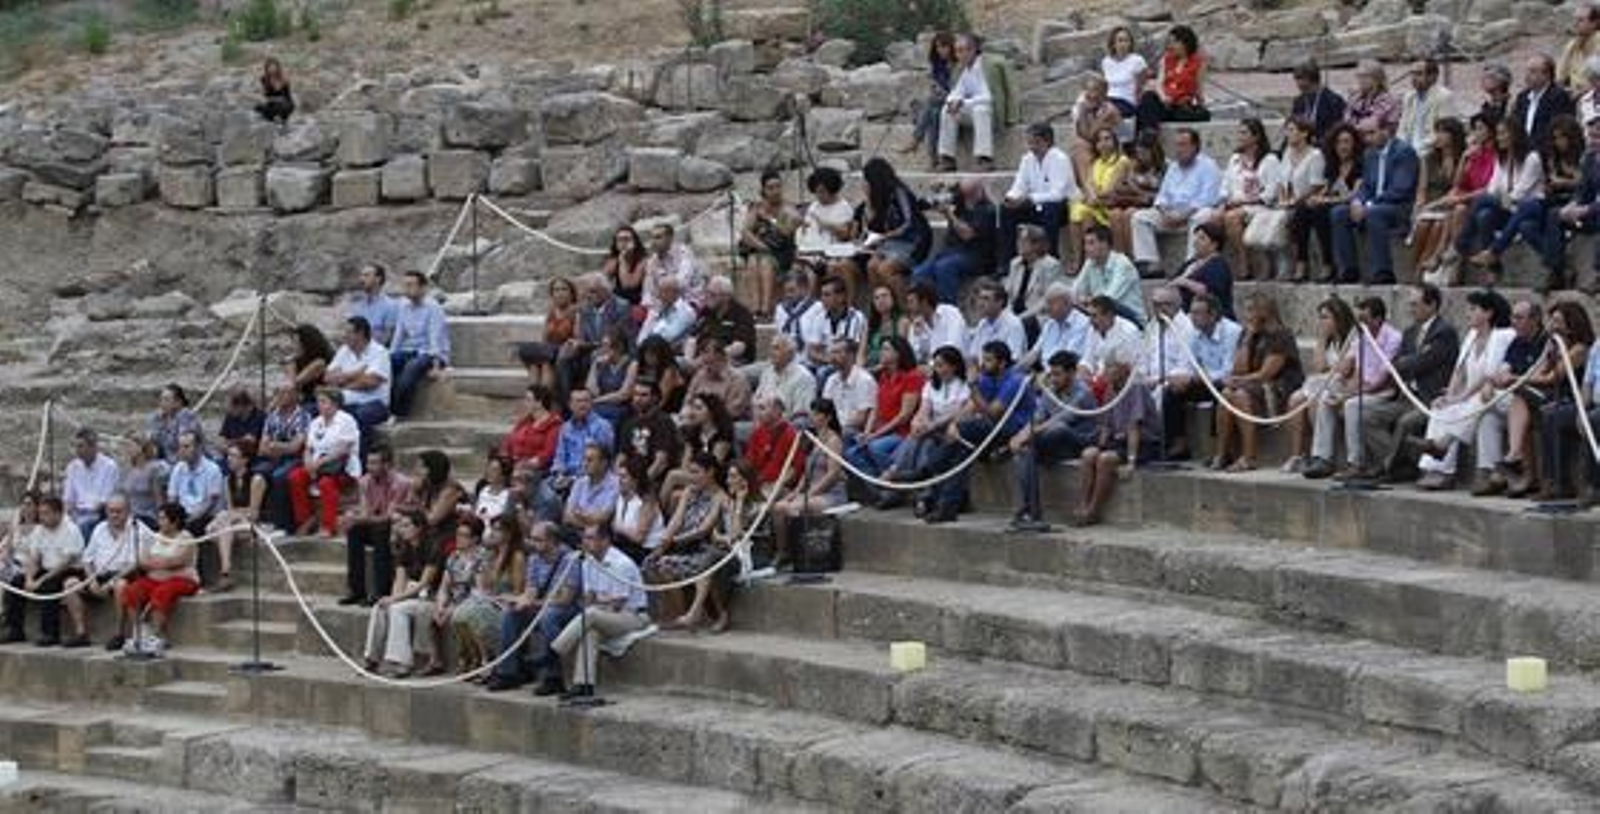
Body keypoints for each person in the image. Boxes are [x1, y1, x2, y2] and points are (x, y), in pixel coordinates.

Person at [1411, 290, 1515, 490]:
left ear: (1488, 313)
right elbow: (1459, 372)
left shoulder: (1503, 335)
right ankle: (1437, 470)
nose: (1467, 313)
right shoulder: (1472, 335)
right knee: (1441, 407)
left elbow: (1489, 374)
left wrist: (1460, 397)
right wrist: (1449, 396)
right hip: (1476, 395)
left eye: (1473, 309)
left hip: (1499, 392)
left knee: (1476, 404)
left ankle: (1444, 443)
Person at [923, 341, 1035, 524]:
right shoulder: (988, 378)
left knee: (965, 433)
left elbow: (993, 412)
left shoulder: (1014, 381)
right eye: (983, 359)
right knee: (962, 449)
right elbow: (972, 406)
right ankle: (947, 507)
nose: (984, 364)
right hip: (990, 433)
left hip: (1013, 431)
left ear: (1002, 363)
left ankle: (928, 469)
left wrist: (972, 385)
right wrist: (954, 424)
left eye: (989, 360)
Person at [1357, 284, 1461, 480]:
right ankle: (1401, 464)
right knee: (1365, 415)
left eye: (1415, 304)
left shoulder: (1445, 332)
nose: (1410, 309)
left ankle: (1388, 467)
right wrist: (1409, 361)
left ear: (1432, 305)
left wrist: (1407, 361)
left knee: (1406, 422)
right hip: (1406, 397)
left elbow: (1424, 362)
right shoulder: (1410, 332)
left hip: (1429, 399)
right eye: (1410, 304)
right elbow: (1399, 363)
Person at [1500, 301, 1593, 497]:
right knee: (1521, 398)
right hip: (1550, 396)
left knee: (1546, 412)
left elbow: (1553, 377)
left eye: (1558, 321)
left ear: (1571, 323)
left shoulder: (1580, 348)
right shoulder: (1552, 344)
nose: (1553, 325)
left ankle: (1550, 480)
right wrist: (1549, 352)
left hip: (1568, 397)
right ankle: (1522, 462)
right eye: (1552, 320)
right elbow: (1538, 371)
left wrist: (1515, 379)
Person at [551, 524, 652, 700]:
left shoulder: (621, 564)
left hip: (633, 616)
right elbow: (588, 598)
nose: (585, 543)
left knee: (590, 616)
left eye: (590, 538)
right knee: (590, 630)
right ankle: (583, 685)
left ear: (605, 541)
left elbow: (617, 604)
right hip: (604, 613)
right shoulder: (588, 561)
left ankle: (556, 650)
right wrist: (601, 600)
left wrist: (600, 601)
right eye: (584, 538)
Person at [1212, 293, 1304, 472]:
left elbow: (1266, 374)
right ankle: (1222, 453)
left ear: (1264, 312)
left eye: (1250, 310)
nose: (1246, 315)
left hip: (1279, 388)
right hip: (1255, 386)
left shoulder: (1281, 335)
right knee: (1226, 394)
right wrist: (1247, 339)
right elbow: (1240, 368)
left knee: (1238, 394)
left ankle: (1249, 456)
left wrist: (1238, 380)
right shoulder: (1248, 334)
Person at [485, 521, 579, 695]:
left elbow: (566, 599)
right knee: (510, 614)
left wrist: (533, 603)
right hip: (544, 604)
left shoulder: (570, 560)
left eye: (538, 540)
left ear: (552, 541)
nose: (533, 544)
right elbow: (532, 589)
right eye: (532, 539)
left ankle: (553, 676)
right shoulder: (535, 558)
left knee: (549, 616)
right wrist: (521, 601)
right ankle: (509, 672)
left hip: (567, 610)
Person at [1009, 350, 1096, 532]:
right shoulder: (1051, 390)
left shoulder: (1083, 393)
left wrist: (1026, 437)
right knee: (1023, 454)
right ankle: (1031, 512)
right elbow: (1037, 418)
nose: (1053, 379)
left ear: (1071, 373)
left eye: (1058, 374)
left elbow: (1060, 420)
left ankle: (1029, 512)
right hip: (1050, 442)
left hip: (1077, 443)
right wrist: (1019, 438)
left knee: (1057, 429)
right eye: (1052, 373)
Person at [876, 347, 971, 510]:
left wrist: (931, 425)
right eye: (936, 365)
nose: (937, 369)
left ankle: (895, 475)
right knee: (920, 438)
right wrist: (918, 422)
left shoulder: (964, 386)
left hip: (951, 430)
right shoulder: (931, 385)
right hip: (931, 430)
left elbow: (957, 412)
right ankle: (920, 492)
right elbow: (924, 409)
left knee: (922, 439)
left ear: (953, 366)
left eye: (941, 365)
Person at [1330, 116, 1419, 285]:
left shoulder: (1404, 152)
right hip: (1375, 205)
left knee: (1374, 213)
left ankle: (1383, 271)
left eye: (1372, 133)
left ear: (1386, 131)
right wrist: (1357, 201)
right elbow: (1366, 187)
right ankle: (1348, 269)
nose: (1367, 139)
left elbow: (1400, 189)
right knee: (1339, 213)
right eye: (1364, 134)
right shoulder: (1369, 154)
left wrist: (1369, 204)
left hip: (1399, 208)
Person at [1472, 300, 1547, 496]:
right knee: (1487, 414)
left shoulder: (1546, 341)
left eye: (1519, 318)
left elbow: (1540, 377)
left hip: (1542, 395)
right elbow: (1503, 369)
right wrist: (1491, 383)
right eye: (1513, 317)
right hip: (1517, 393)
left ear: (1536, 320)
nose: (1514, 322)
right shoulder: (1517, 341)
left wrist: (1512, 379)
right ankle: (1491, 473)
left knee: (1516, 398)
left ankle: (1511, 460)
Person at [1457, 118, 1546, 279]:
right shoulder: (1502, 158)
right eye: (1498, 134)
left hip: (1529, 208)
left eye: (1503, 133)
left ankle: (1468, 244)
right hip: (1509, 208)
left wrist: (1499, 198)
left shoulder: (1532, 158)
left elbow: (1520, 194)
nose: (1499, 138)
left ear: (1515, 135)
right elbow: (1493, 188)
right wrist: (1497, 198)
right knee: (1484, 214)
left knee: (1486, 201)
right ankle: (1493, 264)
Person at [1074, 360, 1159, 527]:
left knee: (1105, 459)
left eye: (1110, 366)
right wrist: (1099, 446)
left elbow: (1134, 426)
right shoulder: (1110, 388)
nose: (1105, 370)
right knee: (1088, 455)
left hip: (1143, 441)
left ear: (1125, 369)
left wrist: (1131, 461)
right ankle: (1083, 504)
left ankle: (1093, 510)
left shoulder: (1136, 387)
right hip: (1119, 439)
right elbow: (1106, 424)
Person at [1288, 298, 1367, 477]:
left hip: (1343, 384)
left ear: (1338, 318)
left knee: (1316, 400)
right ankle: (1298, 455)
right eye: (1320, 317)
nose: (1321, 322)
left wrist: (1330, 369)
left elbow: (1345, 369)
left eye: (1325, 317)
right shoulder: (1328, 340)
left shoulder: (1353, 337)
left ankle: (1324, 456)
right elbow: (1318, 366)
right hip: (1326, 381)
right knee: (1295, 399)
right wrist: (1322, 338)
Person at [362, 510, 444, 678]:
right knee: (381, 607)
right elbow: (400, 579)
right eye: (401, 525)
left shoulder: (433, 547)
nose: (402, 529)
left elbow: (424, 583)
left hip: (430, 598)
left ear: (419, 528)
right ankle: (372, 658)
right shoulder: (404, 548)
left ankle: (401, 663)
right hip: (411, 595)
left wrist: (396, 600)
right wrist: (392, 599)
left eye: (407, 526)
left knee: (398, 609)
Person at [1131, 128, 1223, 276]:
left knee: (1203, 216)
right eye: (1176, 145)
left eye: (1183, 145)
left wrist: (1182, 216)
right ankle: (1150, 264)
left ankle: (1191, 264)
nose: (1178, 149)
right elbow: (1162, 197)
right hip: (1171, 214)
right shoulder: (1174, 167)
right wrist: (1165, 213)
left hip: (1193, 213)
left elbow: (1207, 199)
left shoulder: (1208, 166)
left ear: (1195, 147)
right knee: (1139, 217)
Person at [646, 453, 726, 623]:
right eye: (690, 472)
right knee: (650, 563)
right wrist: (664, 541)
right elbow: (677, 519)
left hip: (705, 547)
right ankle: (674, 612)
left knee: (680, 565)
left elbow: (704, 529)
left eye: (696, 472)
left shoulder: (720, 497)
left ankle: (694, 613)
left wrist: (676, 540)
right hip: (682, 544)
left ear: (710, 472)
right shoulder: (689, 491)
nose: (691, 477)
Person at [1422, 115, 1499, 286]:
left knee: (1459, 210)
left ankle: (1447, 257)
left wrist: (1458, 198)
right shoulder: (1474, 154)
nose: (1476, 133)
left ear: (1490, 131)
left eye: (1480, 129)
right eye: (1474, 129)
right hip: (1467, 200)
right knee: (1455, 211)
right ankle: (1450, 266)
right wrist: (1464, 158)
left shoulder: (1495, 155)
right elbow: (1458, 184)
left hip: (1485, 200)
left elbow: (1488, 189)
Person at [1162, 293, 1240, 460]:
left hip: (1225, 381)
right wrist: (1182, 377)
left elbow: (1228, 370)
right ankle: (1178, 443)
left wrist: (1196, 378)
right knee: (1171, 392)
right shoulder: (1193, 332)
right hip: (1203, 380)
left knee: (1221, 392)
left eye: (1198, 313)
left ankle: (1220, 448)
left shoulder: (1232, 332)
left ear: (1212, 315)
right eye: (1191, 312)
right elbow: (1188, 363)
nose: (1192, 317)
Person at [1, 495, 84, 646]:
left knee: (49, 585)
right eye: (41, 513)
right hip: (46, 569)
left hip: (68, 571)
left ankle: (50, 633)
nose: (41, 517)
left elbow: (66, 563)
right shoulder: (40, 530)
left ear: (58, 513)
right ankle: (14, 629)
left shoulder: (71, 529)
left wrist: (40, 580)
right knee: (15, 581)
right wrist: (29, 578)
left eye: (46, 513)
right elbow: (34, 558)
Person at [452, 513, 527, 679]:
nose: (493, 533)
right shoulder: (490, 555)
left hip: (506, 606)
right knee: (458, 615)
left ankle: (488, 660)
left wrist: (499, 597)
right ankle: (477, 658)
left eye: (498, 530)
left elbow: (518, 592)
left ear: (509, 533)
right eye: (492, 528)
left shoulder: (517, 557)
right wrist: (483, 564)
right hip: (490, 600)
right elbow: (485, 586)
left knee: (472, 613)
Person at [118, 503, 197, 654]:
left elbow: (178, 561)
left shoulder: (187, 537)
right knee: (131, 591)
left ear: (174, 521)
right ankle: (140, 633)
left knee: (162, 592)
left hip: (183, 579)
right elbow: (142, 560)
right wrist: (161, 562)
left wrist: (156, 561)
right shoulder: (153, 536)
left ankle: (157, 636)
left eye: (163, 518)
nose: (159, 521)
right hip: (153, 579)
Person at [773, 400, 847, 559]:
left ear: (827, 417)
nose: (812, 417)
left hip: (830, 493)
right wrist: (797, 492)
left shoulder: (834, 441)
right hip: (812, 491)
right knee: (779, 507)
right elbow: (806, 472)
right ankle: (782, 551)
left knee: (797, 507)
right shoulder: (813, 439)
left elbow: (833, 474)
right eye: (812, 413)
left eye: (816, 414)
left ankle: (805, 552)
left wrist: (811, 493)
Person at [1289, 122, 1362, 282]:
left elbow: (1355, 194)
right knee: (1303, 208)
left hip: (1349, 204)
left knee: (1321, 211)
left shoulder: (1359, 164)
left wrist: (1326, 200)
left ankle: (1328, 263)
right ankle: (1301, 262)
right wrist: (1316, 198)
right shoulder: (1333, 165)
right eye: (1338, 142)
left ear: (1354, 143)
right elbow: (1326, 188)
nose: (1342, 147)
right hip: (1333, 200)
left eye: (1346, 142)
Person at [340, 446, 412, 607]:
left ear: (387, 465)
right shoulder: (365, 481)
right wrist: (353, 518)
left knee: (381, 531)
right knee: (354, 531)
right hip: (376, 524)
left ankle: (381, 591)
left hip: (396, 527)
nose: (369, 467)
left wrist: (360, 519)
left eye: (374, 463)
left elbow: (388, 517)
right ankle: (356, 590)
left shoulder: (401, 483)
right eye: (368, 463)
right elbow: (365, 512)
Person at [64, 494, 138, 650]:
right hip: (98, 575)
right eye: (111, 511)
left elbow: (134, 564)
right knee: (70, 584)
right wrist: (91, 580)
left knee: (120, 586)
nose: (115, 515)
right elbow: (87, 559)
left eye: (119, 511)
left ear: (128, 511)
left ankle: (119, 634)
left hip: (123, 574)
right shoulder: (99, 529)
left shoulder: (137, 529)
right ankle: (81, 633)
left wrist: (109, 583)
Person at [1213, 118, 1283, 280]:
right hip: (1234, 204)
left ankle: (1243, 261)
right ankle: (1214, 265)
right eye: (1239, 132)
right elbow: (1225, 185)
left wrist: (1243, 202)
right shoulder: (1235, 159)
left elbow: (1271, 192)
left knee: (1231, 218)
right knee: (1212, 217)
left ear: (1256, 136)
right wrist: (1224, 201)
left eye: (1244, 133)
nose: (1240, 136)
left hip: (1259, 205)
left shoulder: (1269, 160)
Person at [287, 389, 362, 538]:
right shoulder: (316, 422)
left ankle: (328, 526)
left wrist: (318, 463)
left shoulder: (346, 420)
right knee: (295, 477)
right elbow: (308, 448)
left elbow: (343, 449)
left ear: (334, 403)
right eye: (318, 401)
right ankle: (305, 520)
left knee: (326, 483)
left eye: (323, 401)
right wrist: (308, 462)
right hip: (317, 465)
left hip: (341, 467)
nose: (319, 405)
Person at [910, 179, 997, 304]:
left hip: (975, 256)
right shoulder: (960, 200)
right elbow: (923, 204)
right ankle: (926, 311)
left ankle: (949, 310)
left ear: (979, 191)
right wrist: (935, 192)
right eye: (964, 194)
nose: (966, 199)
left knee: (944, 268)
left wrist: (948, 214)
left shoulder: (987, 210)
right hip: (951, 251)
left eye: (969, 195)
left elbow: (967, 234)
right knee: (918, 273)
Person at [847, 336, 924, 479]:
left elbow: (904, 416)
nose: (881, 353)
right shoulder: (883, 375)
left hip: (901, 432)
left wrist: (874, 436)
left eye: (886, 349)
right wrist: (867, 432)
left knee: (874, 447)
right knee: (852, 453)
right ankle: (880, 489)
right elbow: (875, 407)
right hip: (880, 428)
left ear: (898, 353)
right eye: (881, 349)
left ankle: (899, 481)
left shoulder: (912, 377)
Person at [1001, 122, 1077, 267]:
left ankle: (1051, 259)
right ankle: (1007, 263)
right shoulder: (1027, 159)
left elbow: (1058, 194)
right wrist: (1010, 198)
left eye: (1035, 143)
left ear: (1047, 141)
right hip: (1035, 205)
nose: (1031, 147)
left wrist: (1029, 199)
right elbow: (1019, 185)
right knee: (1006, 210)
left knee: (1050, 209)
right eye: (1029, 143)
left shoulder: (1059, 159)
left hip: (1063, 207)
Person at [857, 158, 933, 297]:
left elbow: (908, 224)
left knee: (884, 269)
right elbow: (871, 225)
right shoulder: (878, 196)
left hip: (914, 242)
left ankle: (907, 310)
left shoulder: (899, 192)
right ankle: (881, 310)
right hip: (893, 242)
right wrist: (868, 201)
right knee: (871, 266)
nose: (865, 183)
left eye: (867, 179)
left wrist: (885, 237)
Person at [427, 516, 489, 677]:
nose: (458, 539)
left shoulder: (482, 557)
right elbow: (444, 586)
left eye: (464, 535)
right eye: (458, 534)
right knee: (433, 613)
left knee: (461, 616)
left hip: (473, 601)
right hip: (454, 600)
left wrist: (453, 608)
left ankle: (475, 658)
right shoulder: (454, 556)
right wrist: (441, 605)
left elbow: (479, 590)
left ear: (475, 538)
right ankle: (436, 660)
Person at [1410, 117, 1470, 279]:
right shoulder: (1428, 159)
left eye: (1443, 132)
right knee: (1422, 224)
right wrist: (1419, 204)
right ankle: (1417, 266)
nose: (1438, 136)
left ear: (1453, 135)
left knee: (1438, 225)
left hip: (1447, 204)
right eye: (1437, 132)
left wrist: (1436, 205)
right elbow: (1422, 188)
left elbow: (1457, 188)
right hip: (1430, 203)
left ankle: (1422, 271)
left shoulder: (1462, 158)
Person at [1535, 114, 1588, 291]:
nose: (1559, 142)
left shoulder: (1584, 156)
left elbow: (1585, 185)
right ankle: (1561, 266)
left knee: (1552, 215)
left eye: (1562, 137)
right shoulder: (1553, 157)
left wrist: (1565, 182)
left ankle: (1555, 271)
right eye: (1555, 138)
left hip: (1578, 201)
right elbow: (1549, 182)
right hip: (1557, 199)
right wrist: (1549, 185)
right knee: (1527, 222)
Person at [1549, 109, 1600, 293]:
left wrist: (1584, 210)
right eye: (1591, 136)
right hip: (1590, 214)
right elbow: (1582, 190)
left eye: (1597, 137)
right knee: (1555, 214)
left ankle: (1597, 276)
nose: (1593, 141)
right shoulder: (1590, 159)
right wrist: (1572, 206)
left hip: (1595, 213)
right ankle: (1556, 270)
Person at [389, 271, 451, 419]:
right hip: (410, 350)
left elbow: (435, 337)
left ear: (422, 288)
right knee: (388, 364)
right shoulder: (403, 306)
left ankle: (398, 413)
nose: (407, 289)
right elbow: (399, 335)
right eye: (405, 285)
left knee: (411, 368)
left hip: (431, 353)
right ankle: (385, 408)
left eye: (411, 285)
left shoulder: (433, 307)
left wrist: (436, 367)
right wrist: (389, 355)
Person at [324, 316, 392, 450]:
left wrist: (344, 383)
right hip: (346, 399)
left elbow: (371, 382)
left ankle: (359, 461)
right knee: (316, 409)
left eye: (348, 332)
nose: (344, 335)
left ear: (360, 334)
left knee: (358, 416)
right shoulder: (344, 350)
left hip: (375, 402)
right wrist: (356, 373)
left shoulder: (379, 352)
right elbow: (328, 377)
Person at [739, 171, 800, 318]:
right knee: (753, 261)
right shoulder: (756, 207)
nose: (775, 191)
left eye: (778, 187)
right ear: (763, 190)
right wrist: (762, 246)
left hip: (782, 250)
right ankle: (755, 309)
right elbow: (746, 232)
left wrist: (769, 219)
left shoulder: (789, 208)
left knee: (765, 262)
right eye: (770, 188)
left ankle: (766, 309)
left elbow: (786, 231)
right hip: (761, 249)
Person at [206, 442, 265, 591]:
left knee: (222, 523)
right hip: (234, 523)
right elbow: (231, 508)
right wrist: (230, 515)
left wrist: (230, 515)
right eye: (228, 455)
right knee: (211, 529)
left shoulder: (256, 479)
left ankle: (225, 571)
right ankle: (226, 571)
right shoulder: (227, 480)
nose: (229, 459)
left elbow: (254, 512)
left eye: (233, 456)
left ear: (244, 460)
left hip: (252, 523)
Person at [1274, 117, 1328, 281]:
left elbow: (1316, 186)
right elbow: (1281, 181)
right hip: (1288, 201)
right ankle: (1284, 265)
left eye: (1291, 130)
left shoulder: (1315, 155)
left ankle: (1302, 263)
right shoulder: (1287, 153)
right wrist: (1283, 199)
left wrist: (1295, 201)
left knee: (1301, 213)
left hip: (1307, 200)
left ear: (1304, 133)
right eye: (1287, 130)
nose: (1287, 134)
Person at [937, 33, 997, 171]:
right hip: (973, 111)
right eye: (957, 51)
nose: (959, 55)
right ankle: (947, 158)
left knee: (980, 109)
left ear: (973, 50)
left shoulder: (987, 66)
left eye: (962, 50)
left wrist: (963, 102)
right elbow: (955, 93)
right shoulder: (962, 69)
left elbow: (988, 97)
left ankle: (984, 159)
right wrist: (953, 102)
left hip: (992, 112)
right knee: (947, 110)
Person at [1069, 127, 1132, 257]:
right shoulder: (1096, 163)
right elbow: (1089, 185)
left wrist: (1094, 195)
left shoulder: (1122, 161)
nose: (1103, 143)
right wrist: (1092, 195)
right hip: (1096, 203)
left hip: (1112, 203)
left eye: (1107, 139)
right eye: (1099, 140)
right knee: (1080, 211)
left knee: (1091, 211)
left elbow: (1111, 189)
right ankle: (1082, 259)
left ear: (1114, 142)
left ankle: (1118, 257)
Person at [1135, 25, 1209, 134]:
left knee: (1201, 114)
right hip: (1166, 102)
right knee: (1148, 97)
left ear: (1184, 43)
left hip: (1182, 105)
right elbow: (1159, 84)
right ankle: (1149, 132)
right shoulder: (1166, 59)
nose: (1170, 46)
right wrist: (1163, 97)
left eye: (1174, 42)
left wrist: (1201, 104)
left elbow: (1199, 89)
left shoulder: (1198, 62)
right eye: (1169, 42)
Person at [255, 385, 309, 531]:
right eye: (278, 392)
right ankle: (255, 518)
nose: (280, 396)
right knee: (258, 472)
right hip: (274, 459)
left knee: (279, 477)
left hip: (296, 459)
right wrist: (280, 447)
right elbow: (261, 448)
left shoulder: (303, 416)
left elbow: (296, 447)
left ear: (295, 396)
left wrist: (275, 446)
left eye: (285, 392)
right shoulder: (272, 416)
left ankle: (282, 524)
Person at [900, 32, 957, 167]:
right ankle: (934, 159)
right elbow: (936, 84)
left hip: (957, 101)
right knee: (934, 113)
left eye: (944, 47)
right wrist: (936, 88)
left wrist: (942, 92)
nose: (941, 51)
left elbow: (958, 88)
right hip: (941, 102)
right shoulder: (938, 66)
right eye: (938, 47)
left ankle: (915, 139)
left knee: (931, 102)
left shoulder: (958, 64)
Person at [1107, 132, 1166, 255]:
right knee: (1114, 215)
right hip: (1130, 200)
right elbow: (1117, 187)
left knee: (1130, 214)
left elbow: (1160, 193)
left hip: (1148, 204)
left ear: (1153, 151)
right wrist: (1136, 192)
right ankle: (1120, 257)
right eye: (1138, 153)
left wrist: (1134, 189)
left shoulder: (1164, 167)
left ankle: (1134, 256)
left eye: (1144, 153)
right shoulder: (1133, 164)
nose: (1140, 157)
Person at [516, 277, 579, 393]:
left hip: (565, 351)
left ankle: (544, 398)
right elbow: (544, 337)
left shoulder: (576, 311)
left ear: (571, 293)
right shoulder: (551, 312)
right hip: (548, 350)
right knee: (535, 362)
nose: (560, 293)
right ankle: (534, 396)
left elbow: (577, 338)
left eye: (564, 289)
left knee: (545, 362)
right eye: (556, 290)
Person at [799, 276, 866, 383]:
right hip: (822, 363)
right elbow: (811, 352)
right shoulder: (819, 316)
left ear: (841, 297)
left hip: (845, 366)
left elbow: (849, 352)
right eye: (822, 295)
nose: (822, 299)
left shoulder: (855, 317)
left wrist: (823, 352)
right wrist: (828, 358)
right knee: (800, 371)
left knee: (822, 373)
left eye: (827, 295)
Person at [1076, 224, 1144, 325]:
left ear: (1104, 244)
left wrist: (1087, 300)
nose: (1086, 248)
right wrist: (1085, 300)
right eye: (1085, 244)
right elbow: (1075, 292)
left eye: (1091, 243)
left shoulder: (1123, 264)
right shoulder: (1089, 263)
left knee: (1103, 308)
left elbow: (1109, 299)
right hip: (1102, 313)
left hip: (1130, 318)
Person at [617, 380, 683, 486]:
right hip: (630, 478)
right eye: (635, 394)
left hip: (653, 480)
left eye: (644, 395)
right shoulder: (629, 422)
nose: (638, 399)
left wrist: (640, 485)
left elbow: (661, 462)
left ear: (655, 398)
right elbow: (622, 456)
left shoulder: (663, 422)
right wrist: (617, 480)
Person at [1069, 75, 1123, 196]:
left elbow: (1091, 135)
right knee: (1079, 145)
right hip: (1090, 149)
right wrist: (1083, 111)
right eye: (1087, 90)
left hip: (1110, 148)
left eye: (1095, 90)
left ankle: (1089, 192)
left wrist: (1086, 112)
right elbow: (1083, 134)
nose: (1091, 94)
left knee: (1080, 146)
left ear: (1104, 93)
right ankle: (1089, 190)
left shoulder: (1110, 110)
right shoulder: (1081, 107)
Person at [62, 428, 119, 542]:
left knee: (81, 527)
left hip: (98, 515)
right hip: (77, 514)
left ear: (93, 447)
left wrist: (84, 512)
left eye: (81, 446)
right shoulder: (73, 467)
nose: (77, 450)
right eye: (76, 446)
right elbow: (68, 499)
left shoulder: (109, 466)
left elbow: (106, 500)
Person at [1170, 222, 1234, 321]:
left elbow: (1211, 293)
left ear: (1214, 244)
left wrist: (1186, 282)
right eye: (1196, 237)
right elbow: (1173, 281)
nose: (1196, 242)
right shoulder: (1191, 262)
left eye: (1202, 238)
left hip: (1212, 319)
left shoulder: (1219, 265)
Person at [1003, 225, 1063, 330]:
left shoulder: (1051, 265)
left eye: (1023, 241)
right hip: (1014, 314)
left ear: (1036, 245)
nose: (1018, 244)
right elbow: (1008, 294)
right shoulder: (1015, 263)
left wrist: (1019, 318)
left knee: (1022, 325)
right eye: (1018, 240)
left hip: (1036, 316)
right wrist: (1007, 314)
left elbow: (1046, 300)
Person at [1512, 54, 1576, 151]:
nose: (1527, 75)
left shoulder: (1558, 96)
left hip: (1546, 152)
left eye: (1532, 71)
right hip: (1523, 153)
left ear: (1547, 75)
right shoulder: (1522, 97)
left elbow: (1555, 129)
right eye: (1527, 71)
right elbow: (1516, 125)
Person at [166, 431, 223, 538]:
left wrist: (188, 520)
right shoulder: (178, 468)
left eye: (186, 447)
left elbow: (210, 503)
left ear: (199, 447)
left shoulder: (212, 469)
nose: (182, 451)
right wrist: (172, 517)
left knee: (185, 531)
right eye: (180, 447)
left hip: (204, 516)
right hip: (183, 514)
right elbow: (172, 497)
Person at [691, 276, 757, 368]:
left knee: (710, 369)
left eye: (713, 295)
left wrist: (712, 357)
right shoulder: (706, 311)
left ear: (726, 297)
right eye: (707, 293)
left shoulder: (742, 314)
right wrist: (689, 360)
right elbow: (692, 339)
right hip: (702, 359)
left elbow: (740, 346)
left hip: (730, 360)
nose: (708, 297)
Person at [1023, 283, 1092, 371]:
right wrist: (1013, 371)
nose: (1047, 307)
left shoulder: (1082, 323)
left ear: (1066, 303)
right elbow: (1034, 353)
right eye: (1047, 303)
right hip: (1045, 372)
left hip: (1062, 375)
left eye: (1051, 303)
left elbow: (1067, 361)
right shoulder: (1050, 322)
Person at [1397, 59, 1456, 160]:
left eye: (1418, 74)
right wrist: (1401, 147)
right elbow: (1402, 128)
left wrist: (1416, 149)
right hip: (1408, 149)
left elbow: (1444, 133)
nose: (1413, 78)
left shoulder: (1444, 96)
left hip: (1429, 150)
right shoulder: (1409, 96)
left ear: (1433, 77)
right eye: (1412, 73)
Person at [820, 338, 878, 438]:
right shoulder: (831, 380)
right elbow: (824, 410)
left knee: (845, 432)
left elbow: (861, 418)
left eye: (837, 352)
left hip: (855, 430)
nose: (832, 357)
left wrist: (836, 429)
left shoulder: (864, 380)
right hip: (834, 428)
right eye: (832, 352)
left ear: (851, 355)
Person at [965, 278, 1027, 370]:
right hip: (982, 373)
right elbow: (973, 356)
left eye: (986, 299)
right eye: (979, 298)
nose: (980, 303)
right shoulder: (983, 323)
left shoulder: (1013, 325)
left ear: (1000, 302)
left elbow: (1012, 361)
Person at [753, 335, 817, 425]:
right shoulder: (768, 372)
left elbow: (801, 415)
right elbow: (756, 401)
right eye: (771, 348)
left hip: (787, 429)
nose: (771, 352)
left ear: (790, 353)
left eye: (776, 348)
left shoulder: (804, 377)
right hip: (762, 424)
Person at [643, 222, 707, 310]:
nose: (653, 242)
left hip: (688, 302)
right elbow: (648, 289)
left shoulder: (684, 254)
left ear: (670, 238)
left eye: (658, 237)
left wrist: (660, 293)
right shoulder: (652, 260)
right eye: (652, 238)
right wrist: (648, 307)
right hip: (662, 305)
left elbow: (680, 284)